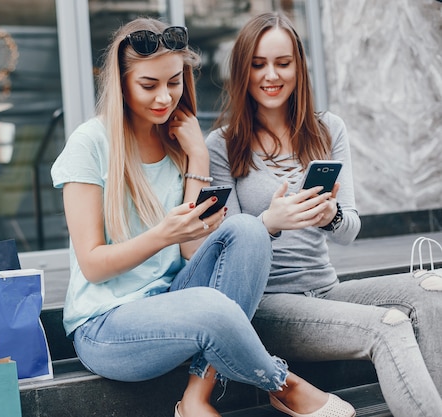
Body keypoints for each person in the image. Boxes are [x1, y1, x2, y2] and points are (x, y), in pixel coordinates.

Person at [51, 17, 354, 417]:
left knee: (248, 229)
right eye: (148, 85)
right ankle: (283, 383)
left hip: (175, 303)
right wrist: (161, 235)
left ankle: (196, 397)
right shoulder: (90, 143)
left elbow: (194, 249)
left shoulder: (180, 141)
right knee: (213, 309)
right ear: (122, 82)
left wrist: (196, 158)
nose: (164, 98)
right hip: (107, 328)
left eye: (174, 82)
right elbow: (92, 265)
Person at [206, 12, 442, 417]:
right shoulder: (222, 145)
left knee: (432, 291)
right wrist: (271, 225)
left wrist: (329, 215)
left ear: (299, 65)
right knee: (388, 327)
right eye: (258, 64)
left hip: (326, 289)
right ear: (242, 70)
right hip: (268, 303)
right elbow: (226, 247)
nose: (271, 75)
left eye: (283, 63)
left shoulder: (327, 129)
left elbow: (349, 230)